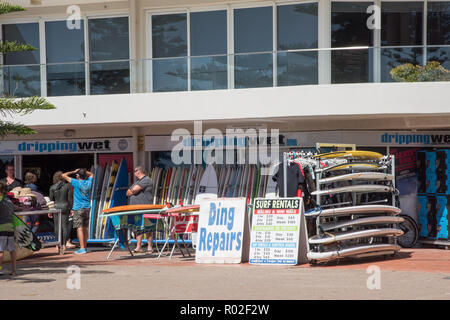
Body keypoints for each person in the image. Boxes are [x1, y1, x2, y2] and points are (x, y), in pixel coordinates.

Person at [61, 168, 93, 255]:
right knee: (85, 228)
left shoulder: (76, 182)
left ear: (78, 176)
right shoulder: (89, 182)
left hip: (78, 208)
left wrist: (73, 171)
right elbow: (92, 175)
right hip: (87, 207)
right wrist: (84, 172)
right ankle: (85, 247)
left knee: (79, 228)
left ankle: (82, 248)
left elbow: (63, 175)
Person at [127, 166, 154, 253]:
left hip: (145, 207)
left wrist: (133, 190)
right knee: (138, 227)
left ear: (139, 172)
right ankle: (139, 247)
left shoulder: (147, 180)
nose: (134, 173)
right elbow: (127, 193)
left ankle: (150, 247)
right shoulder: (137, 182)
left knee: (148, 227)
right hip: (136, 208)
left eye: (135, 171)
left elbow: (134, 190)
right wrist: (132, 190)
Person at [49, 171, 73, 255]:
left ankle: (57, 244)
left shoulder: (52, 187)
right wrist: (71, 209)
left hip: (56, 207)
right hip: (65, 206)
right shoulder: (67, 186)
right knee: (65, 226)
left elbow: (51, 200)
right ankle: (64, 245)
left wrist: (50, 210)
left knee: (57, 227)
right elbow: (70, 199)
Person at [0, 181, 17, 276]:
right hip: (10, 226)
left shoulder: (1, 201)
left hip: (1, 227)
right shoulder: (9, 201)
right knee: (12, 250)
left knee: (0, 250)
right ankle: (14, 270)